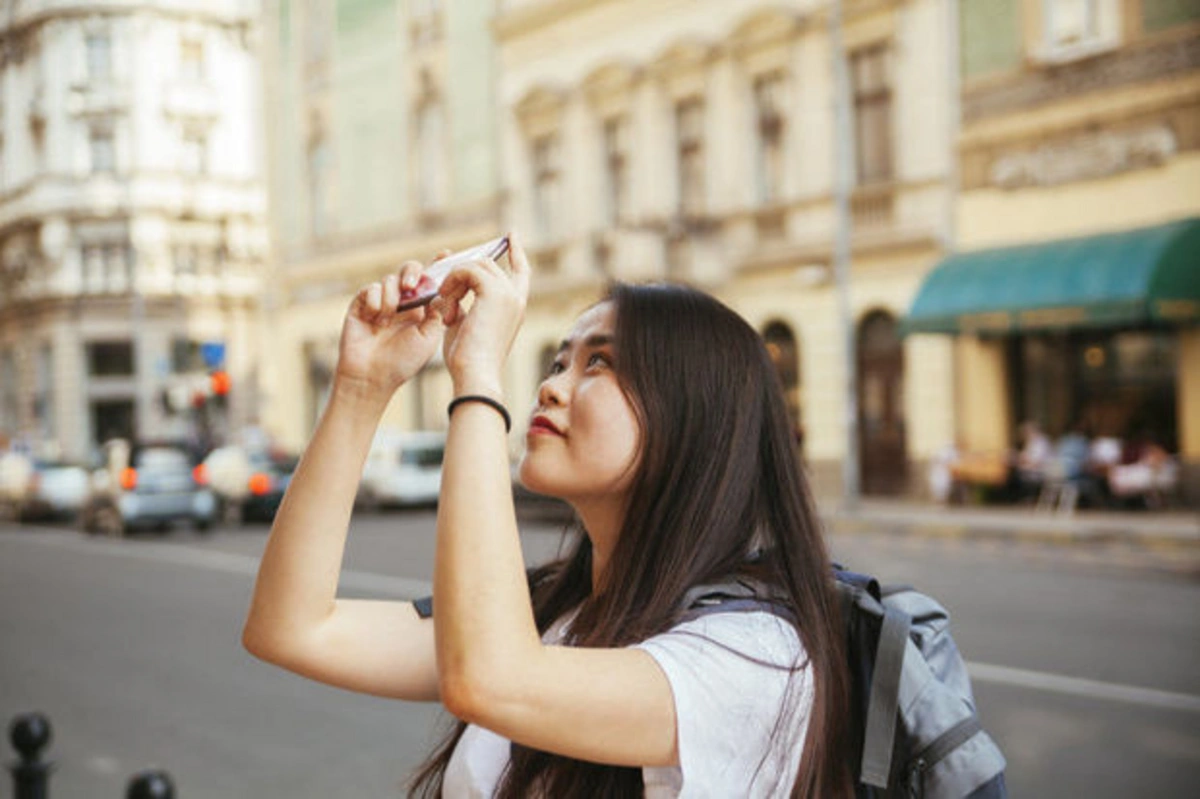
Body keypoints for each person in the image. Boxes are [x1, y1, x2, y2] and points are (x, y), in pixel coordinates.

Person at [242, 232, 851, 797]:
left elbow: (486, 680)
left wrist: (477, 378)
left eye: (601, 364)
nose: (552, 387)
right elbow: (291, 628)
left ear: (693, 420)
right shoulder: (556, 614)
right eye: (560, 363)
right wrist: (360, 386)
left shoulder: (756, 656)